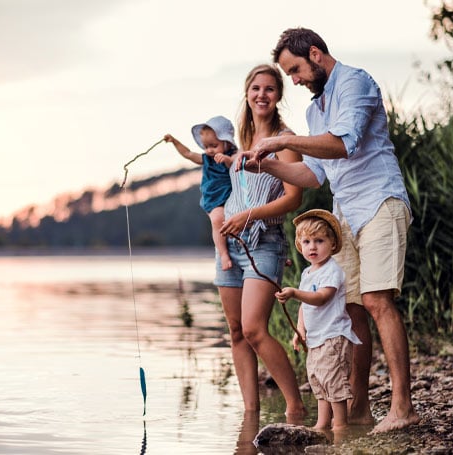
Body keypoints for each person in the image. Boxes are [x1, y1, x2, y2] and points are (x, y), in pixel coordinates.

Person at [238, 27, 420, 433]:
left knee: (376, 300)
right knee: (350, 309)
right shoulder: (314, 112)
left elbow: (344, 144)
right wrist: (265, 163)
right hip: (344, 214)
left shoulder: (356, 82)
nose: (296, 80)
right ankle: (357, 410)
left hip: (379, 202)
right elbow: (312, 173)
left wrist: (281, 139)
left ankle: (403, 406)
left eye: (296, 70)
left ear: (316, 54)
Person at [214, 64, 306, 417]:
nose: (261, 95)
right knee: (236, 331)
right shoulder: (241, 142)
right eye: (255, 88)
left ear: (278, 95)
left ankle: (295, 406)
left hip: (264, 241)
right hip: (230, 243)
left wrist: (249, 216)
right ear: (247, 93)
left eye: (269, 89)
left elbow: (294, 198)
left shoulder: (285, 140)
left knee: (254, 328)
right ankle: (250, 415)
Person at [275, 209, 361, 432]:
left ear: (332, 244)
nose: (312, 247)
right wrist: (299, 329)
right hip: (315, 339)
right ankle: (322, 424)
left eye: (319, 241)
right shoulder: (307, 273)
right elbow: (305, 307)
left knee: (333, 381)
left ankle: (340, 425)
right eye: (307, 241)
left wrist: (294, 293)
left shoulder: (332, 270)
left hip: (333, 337)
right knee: (319, 380)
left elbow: (322, 298)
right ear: (300, 245)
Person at [164, 116, 237, 270]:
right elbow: (188, 154)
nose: (209, 150)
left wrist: (226, 160)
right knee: (218, 219)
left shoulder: (233, 155)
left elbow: (235, 163)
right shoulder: (207, 159)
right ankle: (223, 254)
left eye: (214, 145)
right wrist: (175, 141)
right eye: (206, 146)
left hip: (232, 196)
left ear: (227, 142)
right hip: (214, 198)